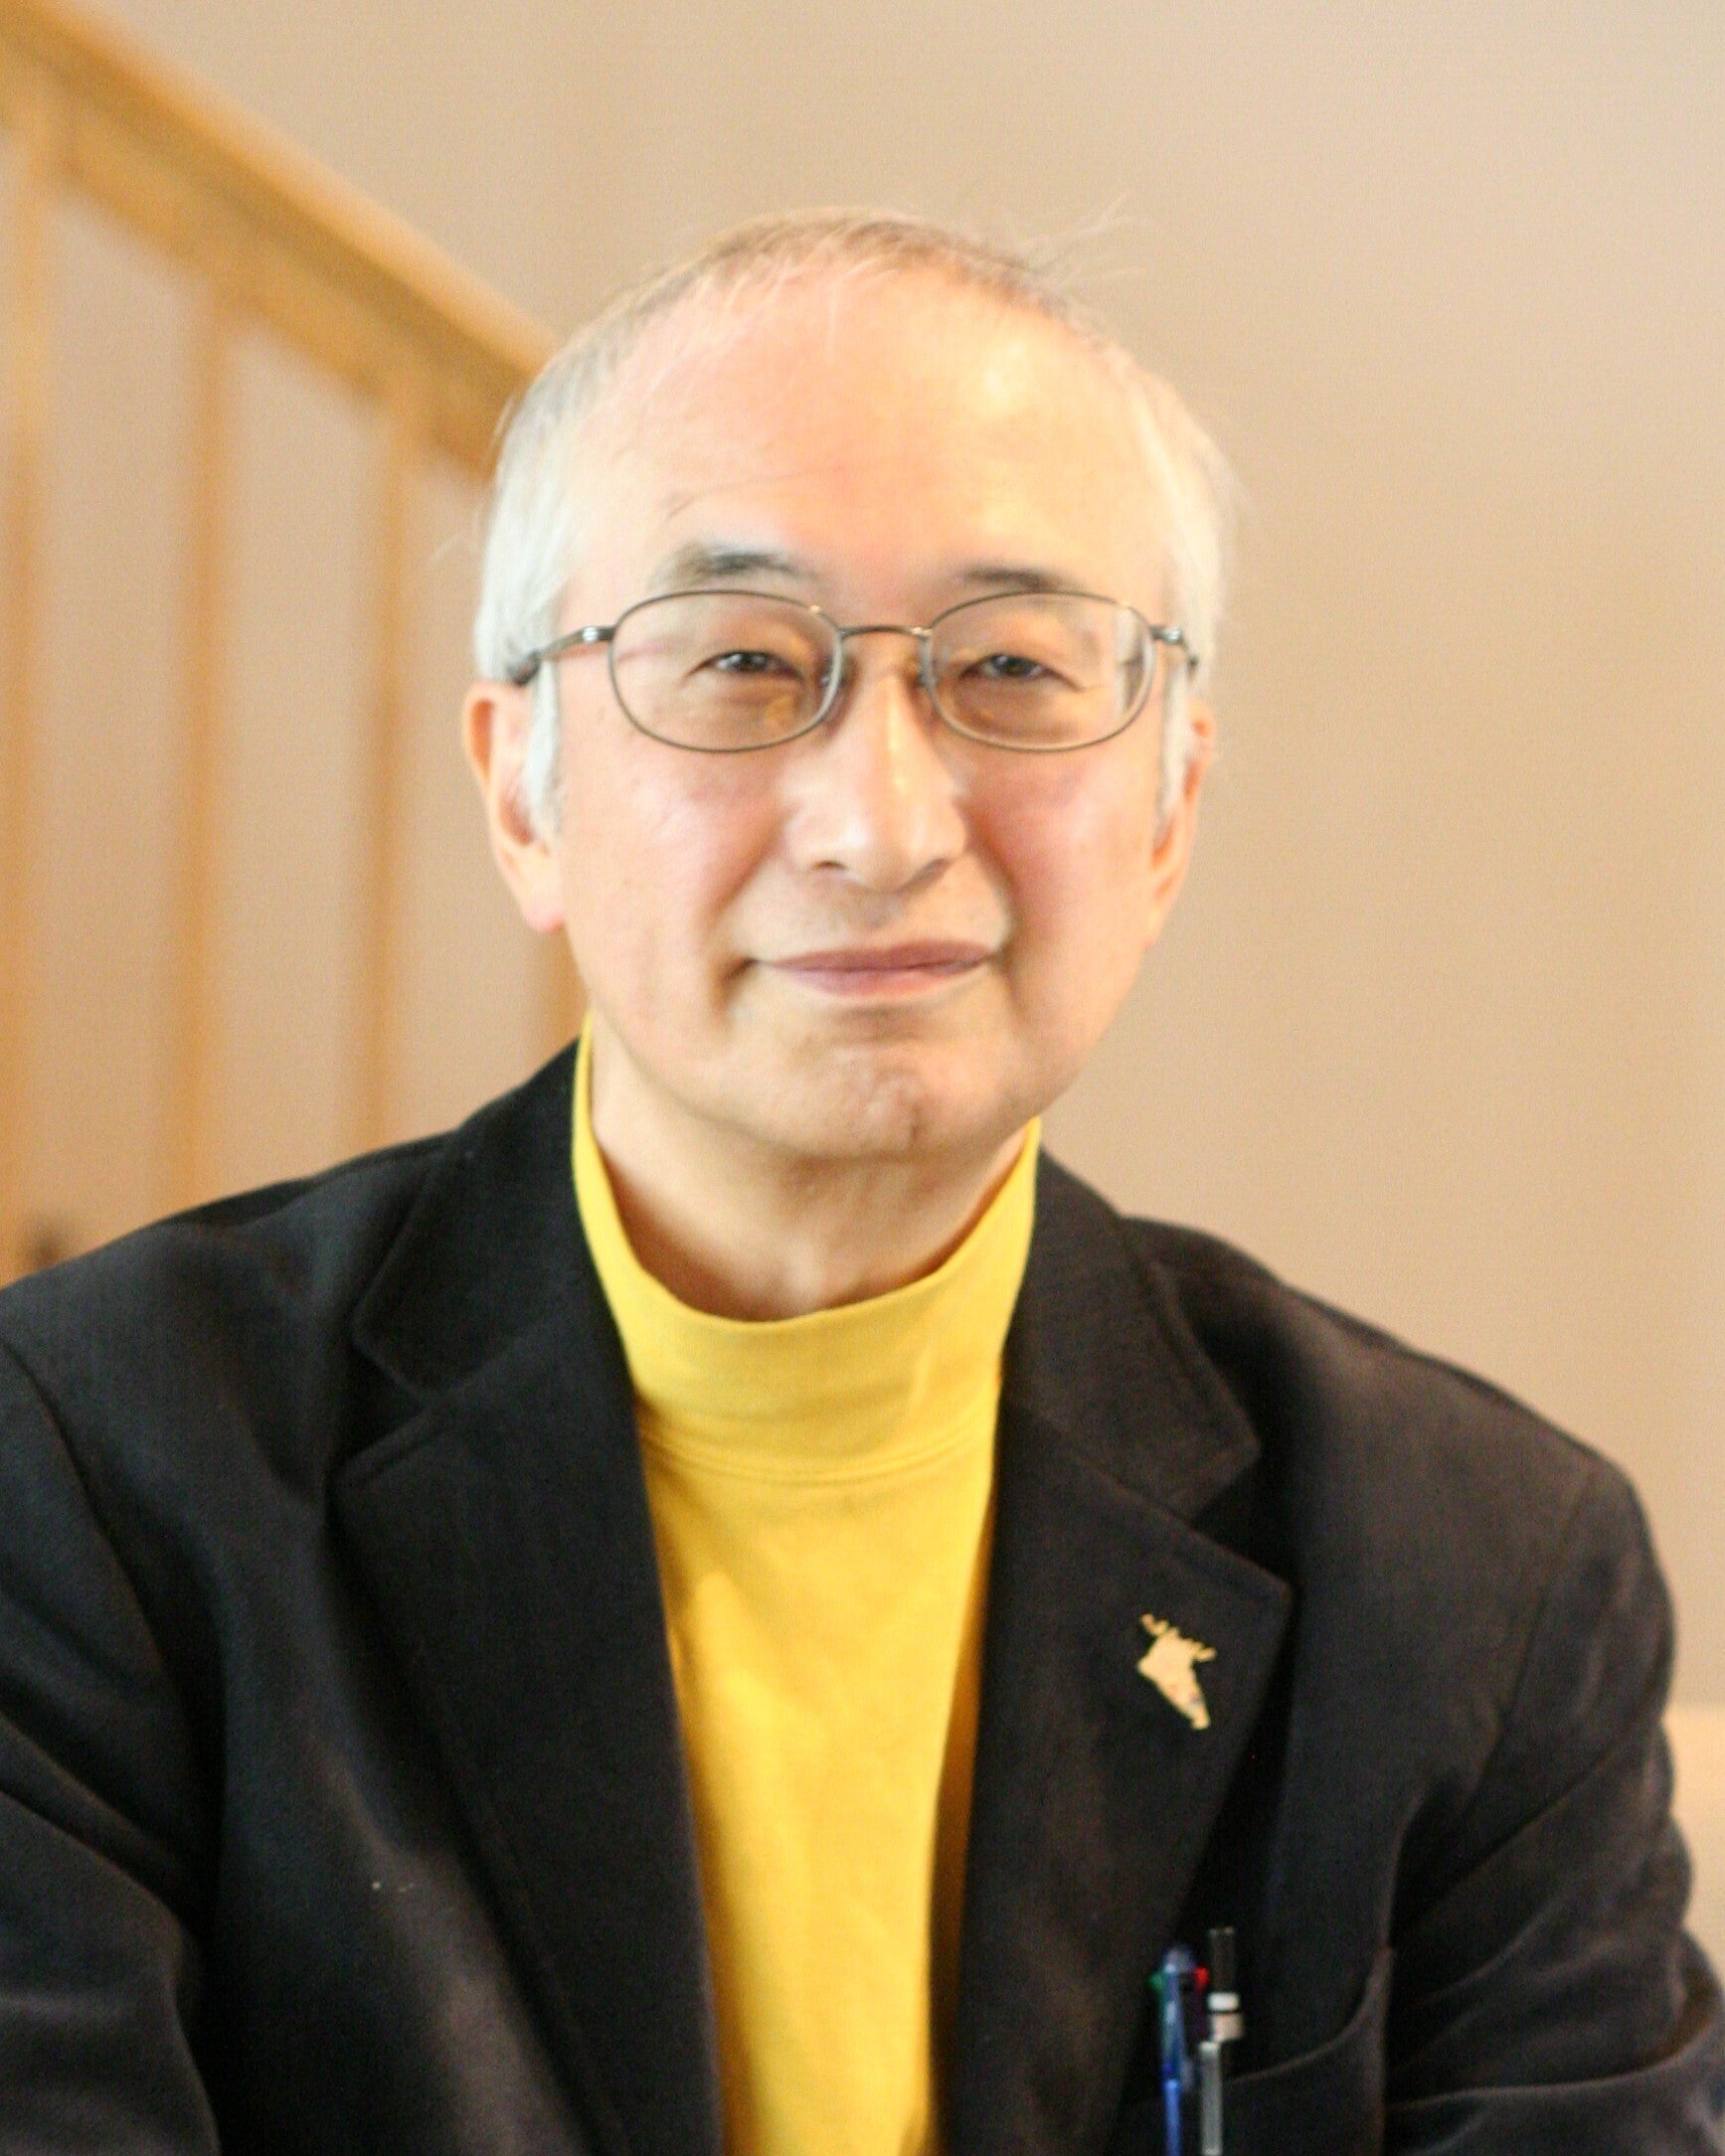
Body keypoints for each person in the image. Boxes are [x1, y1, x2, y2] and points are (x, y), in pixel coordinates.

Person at [0, 211, 1718, 2156]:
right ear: (521, 788)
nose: (883, 820)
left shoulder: (1474, 1573)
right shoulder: (92, 1471)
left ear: (1170, 801)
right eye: (743, 661)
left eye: (1011, 667)